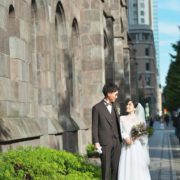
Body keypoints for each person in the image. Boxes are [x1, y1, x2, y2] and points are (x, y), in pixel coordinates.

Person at [92, 83, 122, 180]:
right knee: (105, 170)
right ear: (109, 93)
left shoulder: (115, 106)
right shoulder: (97, 108)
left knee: (116, 169)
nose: (116, 97)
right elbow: (95, 126)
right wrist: (96, 142)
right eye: (115, 94)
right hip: (105, 144)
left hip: (117, 142)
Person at [118, 99, 151, 180]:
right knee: (126, 167)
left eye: (130, 105)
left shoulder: (139, 121)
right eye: (127, 104)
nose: (127, 106)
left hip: (136, 147)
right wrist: (125, 137)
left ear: (135, 108)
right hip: (126, 148)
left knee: (137, 167)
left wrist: (135, 137)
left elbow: (143, 136)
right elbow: (121, 131)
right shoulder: (122, 118)